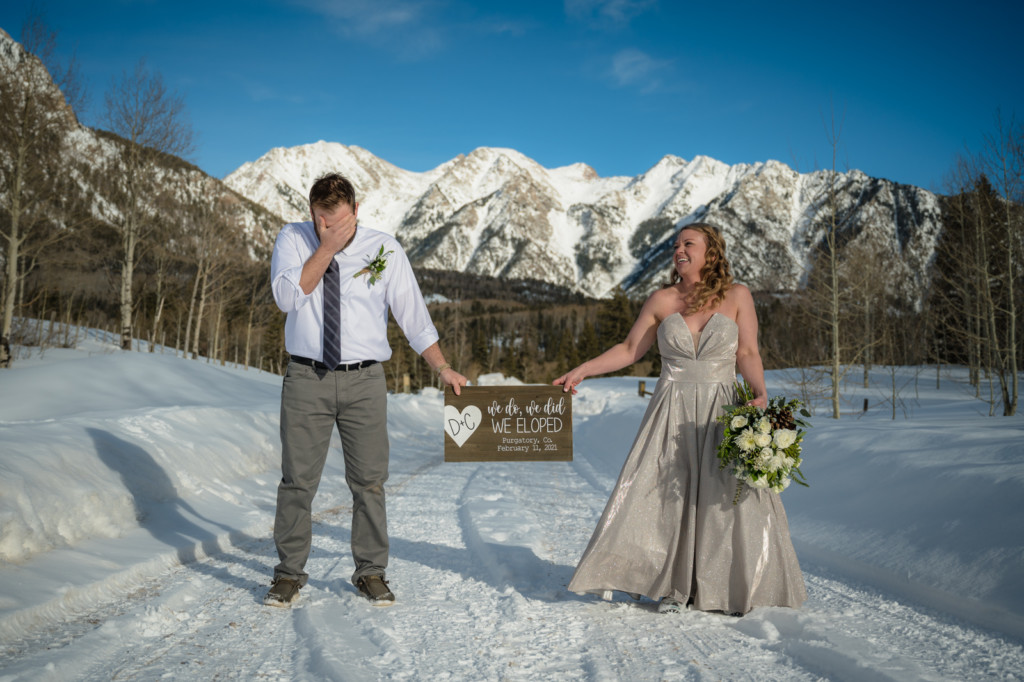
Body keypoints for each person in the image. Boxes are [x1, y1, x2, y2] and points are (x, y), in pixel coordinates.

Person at [554, 223, 805, 615]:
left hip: (722, 409)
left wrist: (759, 393)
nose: (679, 250)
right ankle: (670, 585)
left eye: (689, 244)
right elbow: (629, 349)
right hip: (670, 408)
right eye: (676, 245)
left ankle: (725, 586)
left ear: (712, 253)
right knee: (663, 493)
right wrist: (582, 370)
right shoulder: (661, 300)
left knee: (723, 497)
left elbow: (748, 353)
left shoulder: (737, 296)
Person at [265, 173, 467, 608]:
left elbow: (412, 316)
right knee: (297, 482)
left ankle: (371, 571)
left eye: (335, 222)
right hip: (306, 379)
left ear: (356, 212)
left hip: (365, 381)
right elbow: (286, 298)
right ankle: (288, 574)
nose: (327, 228)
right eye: (319, 220)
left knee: (370, 481)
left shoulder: (385, 249)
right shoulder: (294, 239)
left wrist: (443, 367)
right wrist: (325, 249)